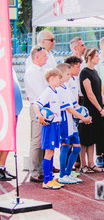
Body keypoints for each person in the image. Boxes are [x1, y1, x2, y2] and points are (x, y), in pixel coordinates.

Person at [56, 63, 91, 184]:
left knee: (77, 148)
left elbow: (75, 105)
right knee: (65, 147)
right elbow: (69, 109)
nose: (70, 77)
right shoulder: (59, 90)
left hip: (72, 123)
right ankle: (63, 174)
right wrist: (83, 118)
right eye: (67, 74)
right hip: (65, 122)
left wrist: (85, 114)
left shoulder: (66, 88)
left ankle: (68, 172)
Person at [33, 68, 65, 189]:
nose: (60, 80)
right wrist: (40, 116)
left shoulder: (55, 91)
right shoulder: (47, 92)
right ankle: (46, 180)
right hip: (49, 126)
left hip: (56, 124)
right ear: (51, 78)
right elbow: (36, 104)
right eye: (58, 78)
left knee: (52, 151)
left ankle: (50, 178)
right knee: (48, 151)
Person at [24, 46, 48, 182]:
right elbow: (41, 93)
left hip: (43, 107)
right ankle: (34, 171)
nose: (47, 57)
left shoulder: (39, 71)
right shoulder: (32, 72)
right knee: (37, 140)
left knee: (41, 140)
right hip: (37, 107)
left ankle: (39, 169)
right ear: (37, 57)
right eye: (44, 55)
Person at [78, 48, 104, 173]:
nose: (99, 58)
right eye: (97, 56)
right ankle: (83, 164)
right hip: (89, 109)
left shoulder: (95, 71)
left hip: (98, 108)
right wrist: (100, 108)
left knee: (93, 137)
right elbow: (90, 94)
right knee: (85, 137)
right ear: (89, 57)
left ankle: (91, 163)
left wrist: (103, 104)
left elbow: (99, 90)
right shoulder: (84, 72)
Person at [0, 68, 23, 181]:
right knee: (3, 140)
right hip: (5, 111)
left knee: (10, 141)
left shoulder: (11, 68)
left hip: (14, 110)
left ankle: (2, 166)